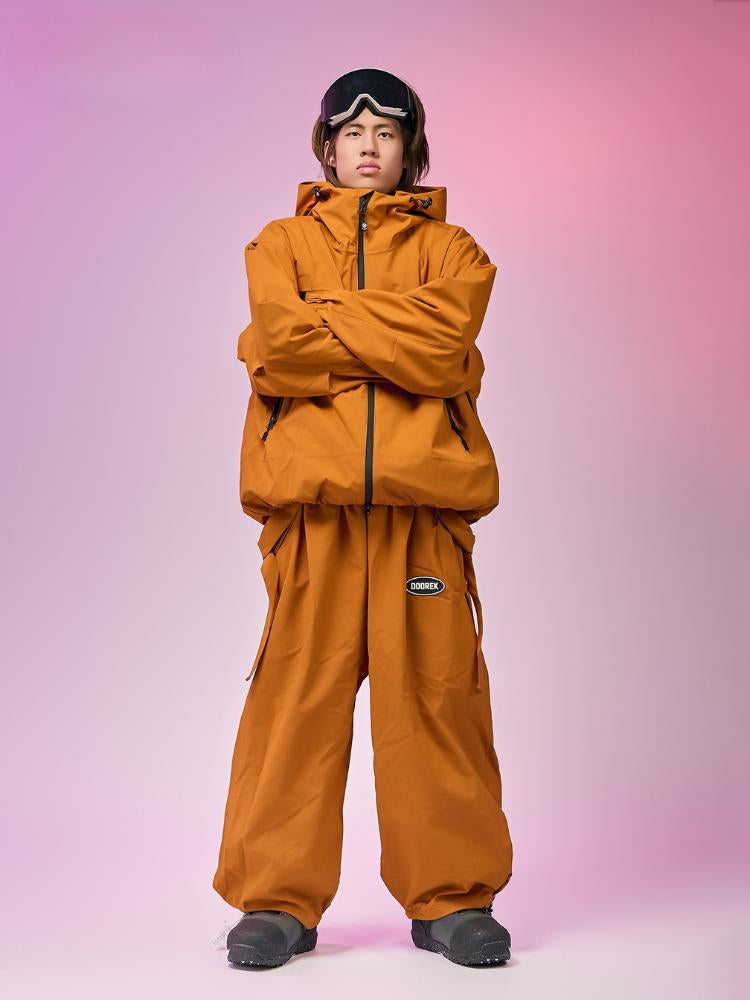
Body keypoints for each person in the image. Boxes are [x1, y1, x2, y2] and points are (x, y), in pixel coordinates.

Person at [213, 67, 513, 969]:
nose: (370, 146)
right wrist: (394, 337)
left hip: (423, 516)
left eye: (387, 131)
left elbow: (446, 345)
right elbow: (277, 345)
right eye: (353, 132)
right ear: (328, 147)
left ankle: (453, 897)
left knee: (437, 703)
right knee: (296, 703)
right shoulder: (279, 244)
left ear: (410, 148)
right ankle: (277, 900)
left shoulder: (454, 252)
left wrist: (330, 322)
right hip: (315, 518)